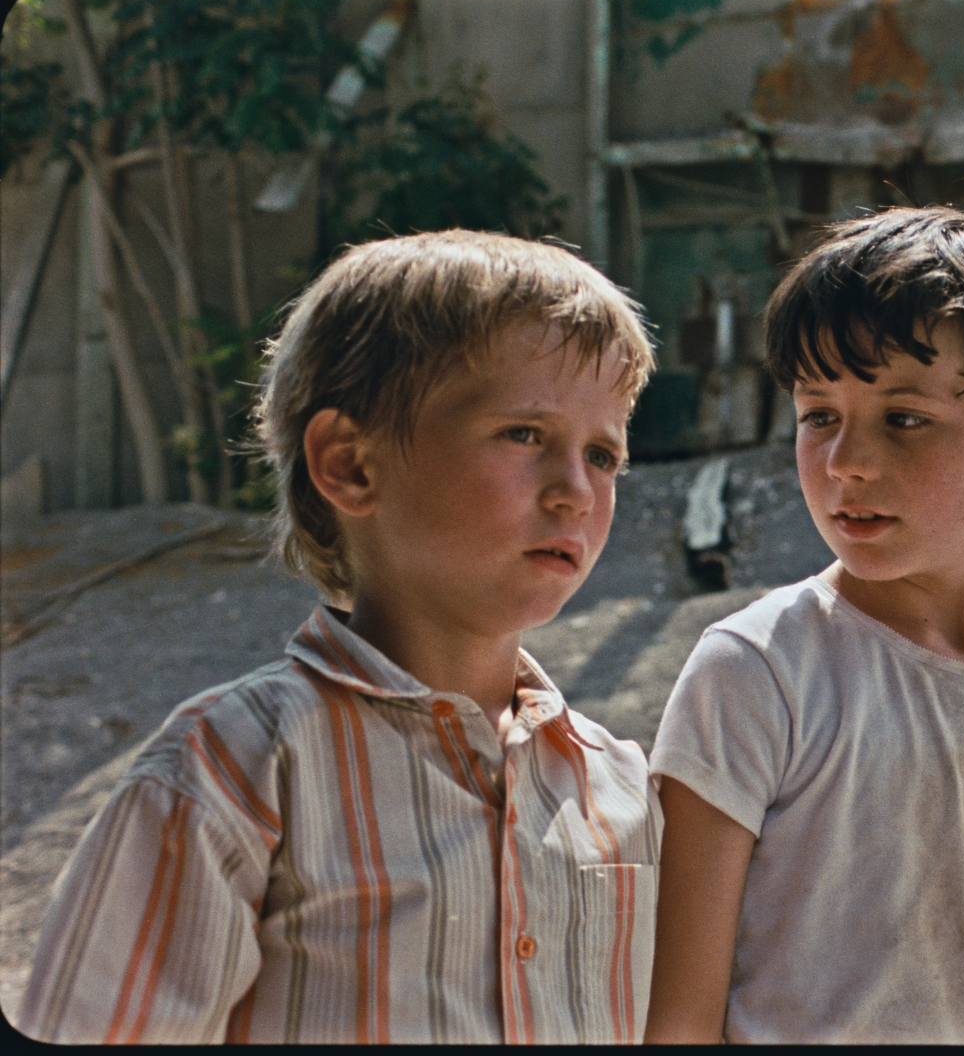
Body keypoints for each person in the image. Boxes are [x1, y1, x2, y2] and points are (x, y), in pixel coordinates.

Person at [16, 231, 661, 1044]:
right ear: (350, 465)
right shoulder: (233, 773)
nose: (576, 491)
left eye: (602, 454)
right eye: (523, 434)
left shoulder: (622, 790)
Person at [644, 207, 964, 1044]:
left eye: (903, 418)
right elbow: (677, 1021)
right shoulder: (756, 673)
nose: (846, 462)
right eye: (818, 415)